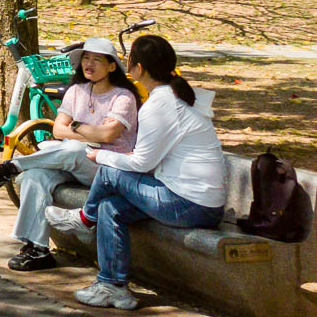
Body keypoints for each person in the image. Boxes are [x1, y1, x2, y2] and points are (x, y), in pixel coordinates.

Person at [45, 35, 226, 311]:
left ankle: (84, 219)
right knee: (110, 206)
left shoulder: (159, 105)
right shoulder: (170, 97)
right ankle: (113, 287)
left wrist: (101, 155)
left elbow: (141, 164)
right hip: (185, 197)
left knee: (107, 171)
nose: (126, 62)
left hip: (191, 205)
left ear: (139, 67)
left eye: (129, 59)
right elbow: (148, 157)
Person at [0, 37, 141, 272]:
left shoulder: (123, 97)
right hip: (72, 162)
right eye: (85, 58)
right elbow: (57, 129)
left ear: (111, 66)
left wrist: (75, 127)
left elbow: (107, 136)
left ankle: (14, 166)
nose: (89, 63)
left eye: (97, 59)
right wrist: (89, 131)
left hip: (107, 169)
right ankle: (37, 248)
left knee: (75, 149)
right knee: (36, 175)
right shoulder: (76, 91)